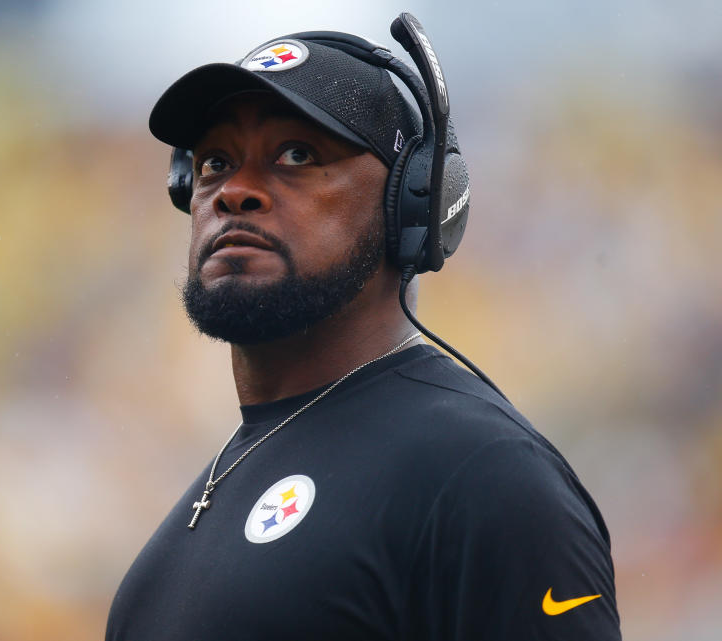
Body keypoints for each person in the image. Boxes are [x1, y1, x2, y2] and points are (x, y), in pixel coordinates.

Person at [106, 14, 621, 641]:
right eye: (215, 162)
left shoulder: (484, 476)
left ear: (414, 200)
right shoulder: (209, 496)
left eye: (297, 154)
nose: (235, 191)